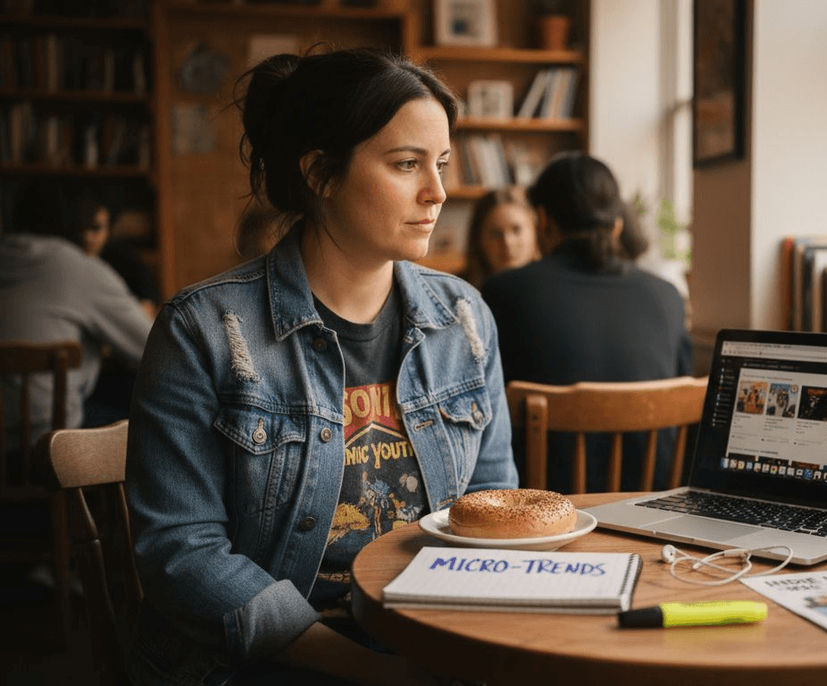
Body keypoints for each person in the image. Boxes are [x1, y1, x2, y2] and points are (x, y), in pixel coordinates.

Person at [123, 48, 517, 685]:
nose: (438, 192)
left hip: (423, 639)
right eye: (406, 164)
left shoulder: (464, 318)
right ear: (320, 174)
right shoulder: (204, 331)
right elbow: (182, 554)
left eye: (441, 164)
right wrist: (365, 668)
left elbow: (488, 510)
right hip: (257, 663)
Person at [482, 152, 692, 493]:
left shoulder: (503, 292)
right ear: (617, 223)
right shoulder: (668, 297)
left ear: (543, 220)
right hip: (650, 511)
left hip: (543, 516)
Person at [0, 183, 152, 449]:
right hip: (49, 441)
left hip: (8, 440)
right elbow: (154, 351)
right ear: (75, 222)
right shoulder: (75, 266)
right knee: (156, 424)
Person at [459, 186, 539, 289]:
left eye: (516, 230)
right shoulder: (459, 290)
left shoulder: (554, 285)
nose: (507, 242)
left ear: (535, 230)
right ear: (478, 240)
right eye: (495, 234)